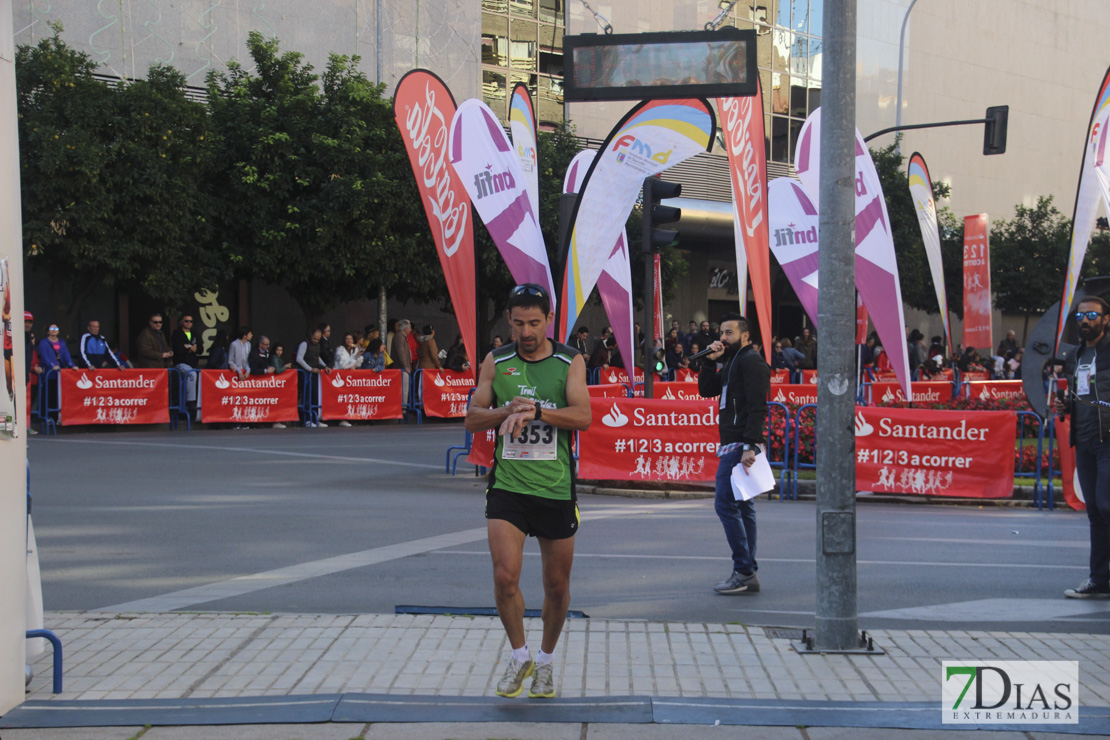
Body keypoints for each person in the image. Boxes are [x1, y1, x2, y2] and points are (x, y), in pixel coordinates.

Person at [464, 283, 591, 699]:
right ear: (509, 319)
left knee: (556, 586)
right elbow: (472, 418)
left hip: (554, 487)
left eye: (534, 323)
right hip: (508, 487)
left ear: (548, 320)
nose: (526, 331)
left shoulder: (569, 361)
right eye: (518, 323)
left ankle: (546, 663)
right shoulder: (496, 361)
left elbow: (583, 416)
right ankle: (519, 657)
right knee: (505, 578)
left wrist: (536, 410)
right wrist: (505, 410)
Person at [698, 312, 771, 596]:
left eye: (729, 333)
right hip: (733, 442)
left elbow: (757, 406)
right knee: (743, 507)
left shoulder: (751, 361)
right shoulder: (732, 362)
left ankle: (743, 570)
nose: (723, 337)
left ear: (746, 336)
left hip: (739, 444)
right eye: (721, 332)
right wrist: (708, 361)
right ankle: (747, 569)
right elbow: (706, 390)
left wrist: (750, 445)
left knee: (725, 505)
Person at [1053, 297, 1110, 599]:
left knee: (1106, 505)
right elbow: (1079, 393)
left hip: (1108, 440)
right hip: (1085, 440)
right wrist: (1066, 404)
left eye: (1092, 315)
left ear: (1106, 319)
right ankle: (1099, 579)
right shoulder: (1075, 355)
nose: (1085, 320)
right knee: (1095, 514)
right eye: (1081, 316)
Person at [296, 327, 332, 427]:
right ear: (311, 336)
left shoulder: (317, 345)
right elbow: (299, 359)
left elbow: (317, 357)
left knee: (315, 395)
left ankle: (315, 418)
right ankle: (307, 419)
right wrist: (310, 369)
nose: (316, 341)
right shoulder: (304, 344)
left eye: (318, 339)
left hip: (314, 371)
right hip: (306, 372)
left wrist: (325, 366)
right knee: (307, 396)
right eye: (314, 339)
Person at [249, 335, 287, 429]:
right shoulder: (254, 353)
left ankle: (267, 420)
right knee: (256, 401)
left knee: (267, 401)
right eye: (266, 345)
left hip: (265, 382)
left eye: (269, 345)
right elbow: (253, 369)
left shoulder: (267, 352)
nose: (268, 347)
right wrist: (265, 371)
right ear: (260, 344)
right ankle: (256, 422)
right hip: (256, 381)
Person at [171, 314, 201, 415]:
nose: (188, 323)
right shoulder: (177, 333)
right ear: (181, 322)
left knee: (191, 377)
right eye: (186, 321)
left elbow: (200, 349)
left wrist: (190, 347)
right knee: (191, 374)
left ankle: (187, 403)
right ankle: (190, 401)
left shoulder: (195, 334)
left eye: (190, 321)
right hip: (180, 363)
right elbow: (178, 349)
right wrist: (190, 348)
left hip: (192, 363)